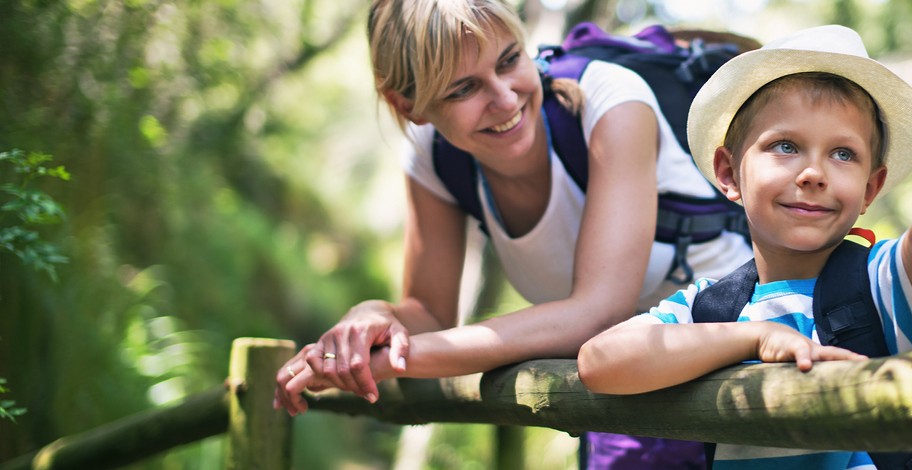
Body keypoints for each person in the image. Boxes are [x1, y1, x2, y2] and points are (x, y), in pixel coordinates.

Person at [576, 24, 912, 468]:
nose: (814, 173)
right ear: (729, 173)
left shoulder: (881, 287)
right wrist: (751, 340)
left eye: (843, 153)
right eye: (785, 146)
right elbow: (600, 362)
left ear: (869, 189)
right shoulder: (710, 306)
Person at [273, 0, 753, 467]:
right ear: (408, 105)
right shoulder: (431, 155)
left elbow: (598, 312)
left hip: (741, 357)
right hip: (627, 383)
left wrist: (397, 359)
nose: (505, 98)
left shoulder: (612, 100)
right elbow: (427, 312)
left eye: (509, 60)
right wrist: (370, 319)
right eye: (463, 89)